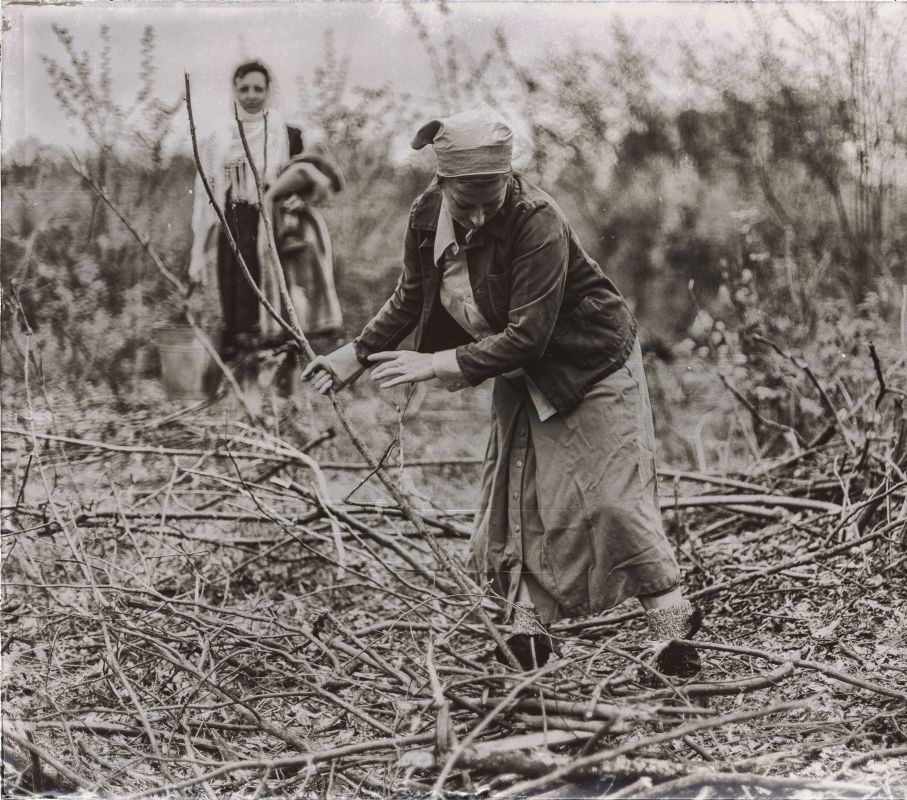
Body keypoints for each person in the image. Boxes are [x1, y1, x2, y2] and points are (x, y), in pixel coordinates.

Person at [303, 107, 703, 675]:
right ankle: (529, 634)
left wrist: (436, 363)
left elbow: (530, 336)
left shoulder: (536, 217)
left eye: (492, 194)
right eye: (467, 199)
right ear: (442, 184)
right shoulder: (424, 217)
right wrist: (355, 354)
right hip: (515, 367)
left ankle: (672, 625)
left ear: (508, 178)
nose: (482, 209)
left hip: (589, 363)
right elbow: (412, 297)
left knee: (610, 497)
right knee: (521, 497)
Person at [188, 59, 344, 390]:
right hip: (236, 228)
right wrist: (198, 252)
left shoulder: (289, 135)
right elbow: (207, 197)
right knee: (239, 308)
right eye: (244, 88)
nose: (251, 96)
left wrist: (301, 200)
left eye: (258, 88)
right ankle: (245, 391)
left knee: (280, 308)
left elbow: (317, 178)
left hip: (277, 230)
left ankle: (283, 391)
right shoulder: (220, 138)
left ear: (269, 90)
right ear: (235, 90)